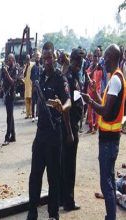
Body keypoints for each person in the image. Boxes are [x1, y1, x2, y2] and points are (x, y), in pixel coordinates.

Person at [27, 42, 71, 220]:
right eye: (43, 58)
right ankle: (32, 211)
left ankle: (53, 214)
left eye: (49, 58)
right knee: (35, 175)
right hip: (41, 133)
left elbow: (68, 100)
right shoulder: (40, 76)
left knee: (53, 176)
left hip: (54, 133)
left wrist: (62, 106)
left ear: (53, 57)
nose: (46, 61)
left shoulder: (60, 78)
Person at [82, 44, 126, 220]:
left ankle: (111, 217)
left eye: (106, 57)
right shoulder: (115, 78)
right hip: (109, 139)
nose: (103, 60)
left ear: (113, 58)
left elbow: (106, 112)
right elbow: (107, 105)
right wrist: (94, 94)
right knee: (108, 179)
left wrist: (90, 102)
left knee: (106, 183)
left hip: (109, 140)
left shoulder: (115, 79)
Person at [60, 48, 85, 212]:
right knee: (69, 166)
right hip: (69, 127)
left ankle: (63, 198)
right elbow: (66, 108)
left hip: (72, 125)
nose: (82, 64)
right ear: (77, 61)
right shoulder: (68, 77)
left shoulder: (73, 75)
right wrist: (69, 132)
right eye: (80, 61)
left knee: (65, 163)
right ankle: (68, 201)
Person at [1, 54, 18, 146]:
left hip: (11, 94)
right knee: (10, 115)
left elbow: (13, 82)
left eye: (9, 60)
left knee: (9, 117)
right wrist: (4, 72)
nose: (8, 61)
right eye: (7, 60)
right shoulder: (8, 68)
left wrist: (7, 73)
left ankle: (7, 137)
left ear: (13, 60)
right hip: (6, 94)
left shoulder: (15, 69)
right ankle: (13, 136)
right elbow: (3, 80)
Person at [86, 48, 103, 133]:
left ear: (99, 57)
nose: (95, 58)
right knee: (90, 109)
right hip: (90, 90)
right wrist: (94, 68)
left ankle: (96, 127)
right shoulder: (91, 66)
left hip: (97, 90)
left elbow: (102, 79)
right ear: (92, 57)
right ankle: (90, 126)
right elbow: (88, 76)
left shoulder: (100, 67)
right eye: (94, 56)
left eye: (97, 56)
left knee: (97, 110)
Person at [30, 51, 42, 122]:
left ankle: (37, 115)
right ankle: (33, 116)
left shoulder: (41, 67)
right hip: (34, 87)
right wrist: (34, 84)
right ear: (35, 58)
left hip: (39, 87)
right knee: (33, 101)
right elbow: (31, 77)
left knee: (38, 102)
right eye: (36, 56)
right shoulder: (33, 67)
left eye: (38, 56)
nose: (37, 58)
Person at [24, 55, 33, 119]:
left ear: (30, 59)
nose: (27, 60)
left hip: (31, 85)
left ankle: (31, 113)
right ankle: (27, 114)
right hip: (26, 85)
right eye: (26, 59)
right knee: (27, 100)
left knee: (31, 100)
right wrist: (26, 67)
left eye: (28, 59)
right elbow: (24, 75)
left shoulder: (32, 65)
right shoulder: (25, 66)